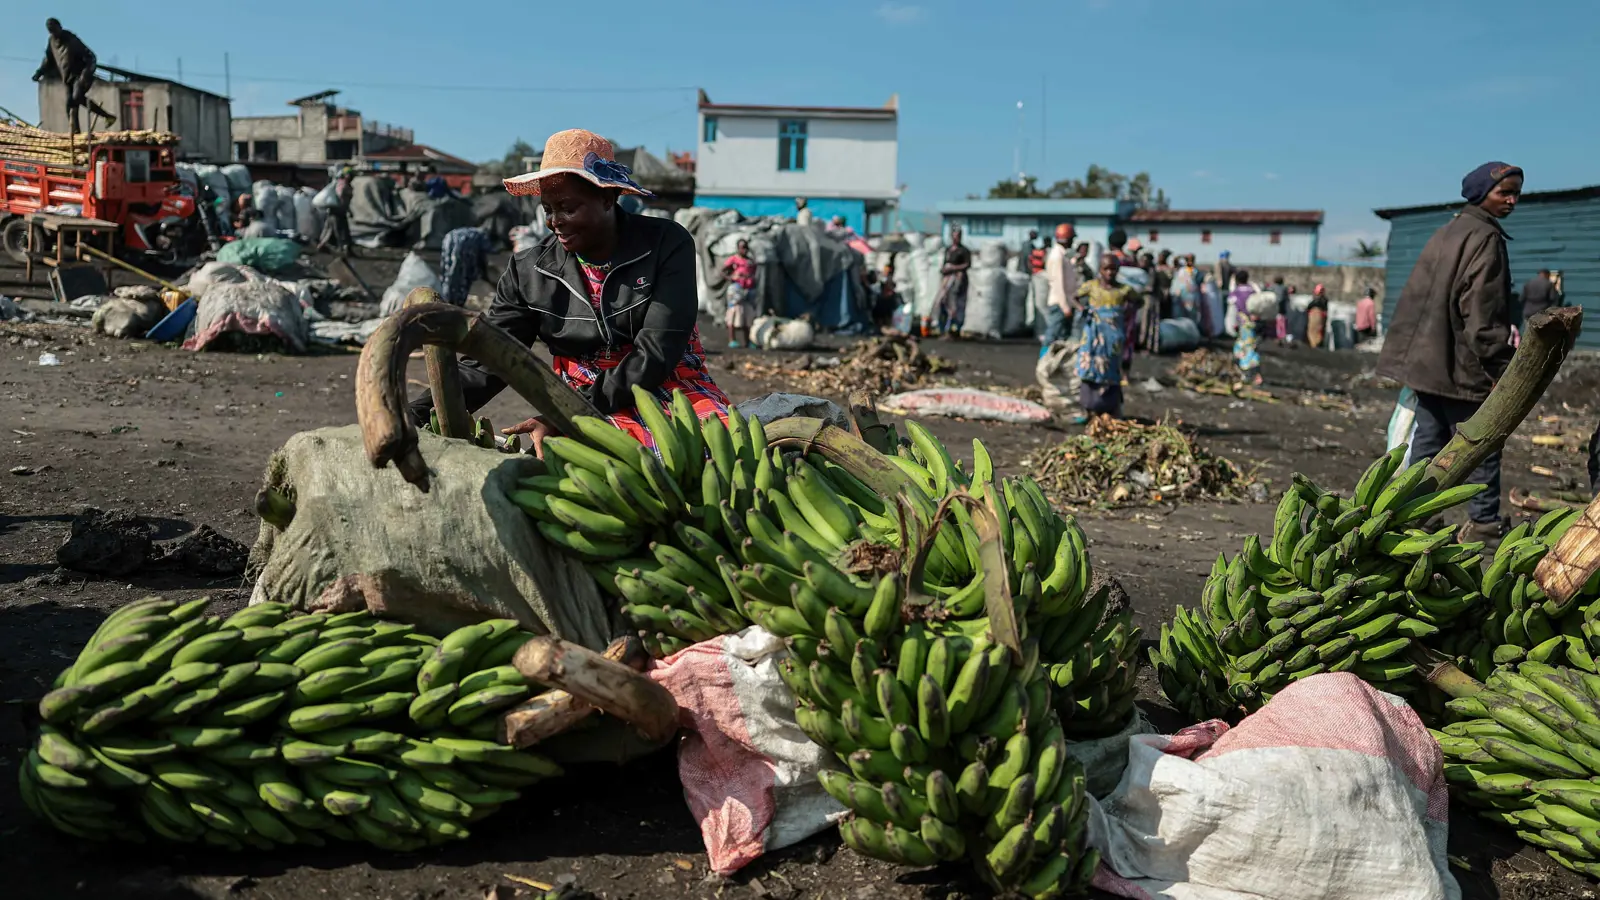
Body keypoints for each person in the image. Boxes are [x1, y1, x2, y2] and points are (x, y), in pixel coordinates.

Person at [408, 129, 729, 456]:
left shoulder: (666, 244)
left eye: (566, 207)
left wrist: (566, 414)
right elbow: (490, 361)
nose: (554, 221)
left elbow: (658, 351)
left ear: (607, 197)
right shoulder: (529, 272)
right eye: (548, 209)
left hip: (670, 384)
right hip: (581, 389)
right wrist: (413, 415)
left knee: (707, 454)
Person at [1377, 161, 1522, 543]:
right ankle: (1484, 523)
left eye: (1515, 193)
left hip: (1427, 363)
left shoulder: (1447, 233)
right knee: (1482, 445)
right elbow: (1482, 314)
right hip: (1462, 366)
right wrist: (1500, 368)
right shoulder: (1485, 239)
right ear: (1480, 194)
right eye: (1504, 192)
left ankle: (1417, 516)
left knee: (1428, 441)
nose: (1512, 200)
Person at [1072, 254, 1137, 419]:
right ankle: (1087, 408)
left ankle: (1112, 408)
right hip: (1093, 335)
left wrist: (1126, 312)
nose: (1110, 273)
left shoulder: (1124, 290)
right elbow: (1074, 297)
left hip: (1113, 336)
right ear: (1100, 270)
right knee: (1089, 368)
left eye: (1113, 269)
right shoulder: (1091, 286)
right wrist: (1082, 309)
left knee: (1112, 369)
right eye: (1106, 269)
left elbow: (1138, 301)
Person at [32, 19, 115, 134]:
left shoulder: (71, 39)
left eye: (55, 29)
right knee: (70, 105)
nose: (54, 33)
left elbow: (91, 56)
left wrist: (86, 73)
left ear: (60, 27)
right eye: (51, 31)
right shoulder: (51, 42)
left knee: (77, 97)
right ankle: (76, 132)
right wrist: (39, 72)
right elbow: (48, 60)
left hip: (80, 75)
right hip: (67, 79)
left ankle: (107, 116)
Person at [1042, 223, 1081, 352]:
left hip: (1066, 303)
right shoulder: (1057, 256)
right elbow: (1057, 283)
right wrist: (1065, 307)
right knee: (1052, 336)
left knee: (1062, 338)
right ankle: (1043, 362)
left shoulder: (1063, 255)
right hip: (1059, 303)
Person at [439, 225, 495, 307]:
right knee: (462, 277)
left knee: (448, 275)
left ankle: (448, 302)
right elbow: (486, 257)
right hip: (463, 252)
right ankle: (457, 304)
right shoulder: (482, 236)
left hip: (449, 242)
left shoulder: (459, 232)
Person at [934, 226, 972, 338]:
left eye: (959, 236)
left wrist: (954, 268)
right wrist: (944, 269)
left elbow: (967, 264)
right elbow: (945, 263)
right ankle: (942, 328)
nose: (956, 238)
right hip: (946, 280)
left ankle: (954, 329)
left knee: (956, 304)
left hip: (958, 280)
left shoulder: (964, 251)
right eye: (955, 236)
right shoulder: (948, 250)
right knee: (942, 302)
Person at [721, 239, 757, 348]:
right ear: (738, 248)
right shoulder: (733, 259)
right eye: (742, 247)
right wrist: (732, 277)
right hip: (736, 289)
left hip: (748, 289)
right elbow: (723, 271)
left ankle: (748, 340)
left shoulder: (750, 261)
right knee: (734, 312)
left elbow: (753, 272)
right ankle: (732, 340)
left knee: (748, 314)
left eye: (746, 247)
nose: (744, 250)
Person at [316, 165, 357, 256]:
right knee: (341, 231)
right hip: (338, 212)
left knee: (330, 230)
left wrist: (349, 210)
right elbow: (341, 198)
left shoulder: (342, 184)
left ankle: (322, 246)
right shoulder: (342, 185)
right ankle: (345, 249)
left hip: (336, 211)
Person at [1227, 268, 1256, 336]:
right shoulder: (1252, 290)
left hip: (1240, 319)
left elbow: (1230, 301)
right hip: (1251, 318)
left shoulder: (1236, 292)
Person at [1306, 284, 1330, 348]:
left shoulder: (1317, 300)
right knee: (1318, 332)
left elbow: (1309, 307)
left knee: (1314, 332)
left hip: (1316, 317)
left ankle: (1314, 344)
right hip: (1320, 318)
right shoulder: (1324, 300)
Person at [1270, 276, 1291, 342]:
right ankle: (1282, 337)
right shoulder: (1284, 288)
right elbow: (1287, 299)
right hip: (1282, 310)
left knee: (1276, 324)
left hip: (1274, 310)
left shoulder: (1272, 287)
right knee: (1282, 324)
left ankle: (1277, 336)